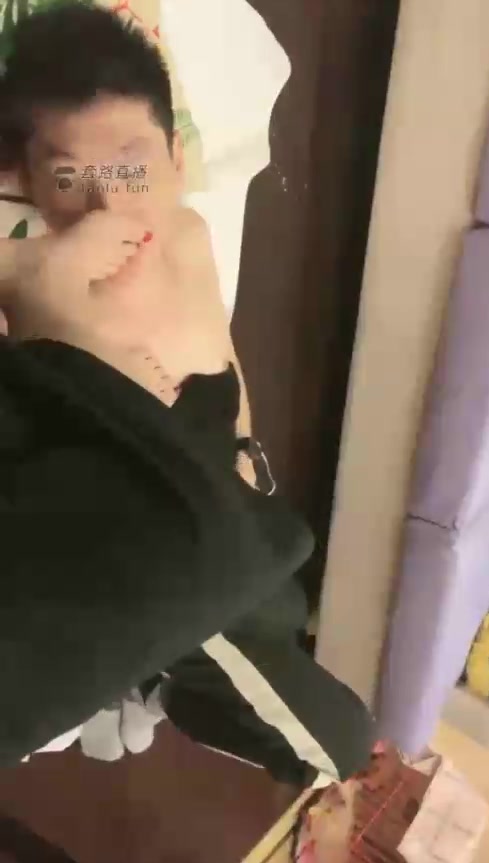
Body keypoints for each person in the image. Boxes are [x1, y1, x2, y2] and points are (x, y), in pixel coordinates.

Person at [0, 1, 374, 782]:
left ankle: (156, 677)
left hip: (231, 500)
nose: (109, 203)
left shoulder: (190, 237)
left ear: (176, 156)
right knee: (337, 740)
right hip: (149, 517)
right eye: (69, 177)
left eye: (131, 168)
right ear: (23, 179)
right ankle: (162, 676)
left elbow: (226, 368)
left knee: (283, 614)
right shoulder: (34, 266)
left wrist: (249, 462)